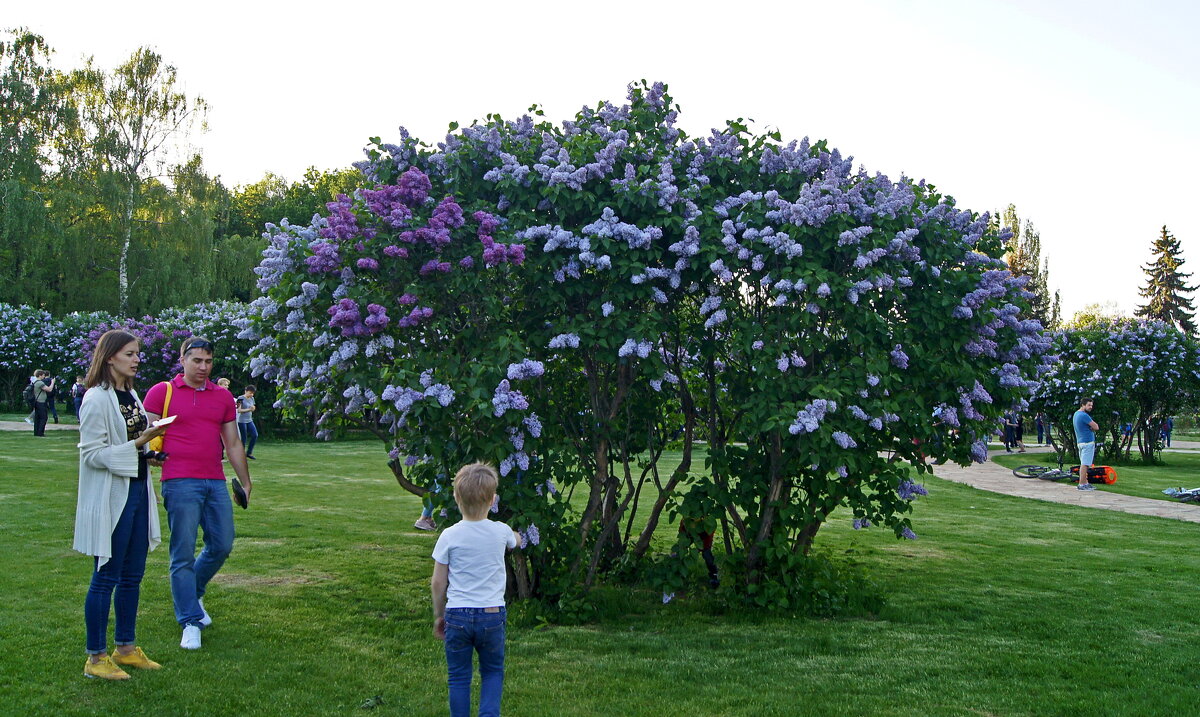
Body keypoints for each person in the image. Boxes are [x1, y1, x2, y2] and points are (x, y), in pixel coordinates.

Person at [143, 336, 252, 651]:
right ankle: (190, 621)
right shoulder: (161, 392)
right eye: (197, 361)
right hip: (178, 481)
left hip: (215, 481)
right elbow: (148, 435)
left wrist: (246, 482)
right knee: (183, 552)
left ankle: (193, 592)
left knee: (222, 544)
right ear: (183, 360)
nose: (203, 367)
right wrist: (150, 452)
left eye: (208, 361)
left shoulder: (223, 397)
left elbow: (232, 443)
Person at [74, 330, 170, 680]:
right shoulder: (95, 399)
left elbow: (133, 439)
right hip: (111, 495)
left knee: (133, 575)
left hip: (137, 491)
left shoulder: (130, 394)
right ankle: (96, 658)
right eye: (130, 353)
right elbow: (92, 454)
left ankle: (126, 648)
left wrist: (150, 451)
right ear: (110, 356)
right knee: (106, 576)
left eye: (137, 353)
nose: (136, 359)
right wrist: (138, 444)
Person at [431, 463, 520, 717]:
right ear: (493, 500)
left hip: (457, 616)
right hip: (492, 615)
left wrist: (440, 614)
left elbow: (438, 582)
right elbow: (517, 540)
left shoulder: (449, 535)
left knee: (458, 677)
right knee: (492, 672)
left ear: (456, 497)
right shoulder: (501, 531)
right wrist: (514, 535)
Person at [1073, 398, 1100, 492]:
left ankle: (1085, 483)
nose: (1090, 407)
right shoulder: (1084, 415)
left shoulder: (1076, 414)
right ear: (1083, 405)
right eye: (1089, 405)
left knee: (1085, 463)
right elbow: (1096, 427)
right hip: (1087, 442)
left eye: (1091, 405)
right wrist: (1091, 428)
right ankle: (1082, 484)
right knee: (1085, 464)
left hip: (1080, 441)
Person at [235, 385, 258, 459]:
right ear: (246, 391)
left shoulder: (252, 398)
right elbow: (239, 410)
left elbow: (253, 407)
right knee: (243, 438)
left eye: (252, 393)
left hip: (249, 420)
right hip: (241, 421)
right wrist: (249, 409)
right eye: (250, 393)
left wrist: (253, 408)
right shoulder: (240, 398)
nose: (251, 395)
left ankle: (249, 452)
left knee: (255, 435)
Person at [31, 370, 55, 436]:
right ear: (40, 375)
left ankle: (36, 432)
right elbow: (49, 389)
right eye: (43, 375)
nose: (44, 376)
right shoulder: (39, 383)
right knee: (43, 417)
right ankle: (40, 433)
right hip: (41, 402)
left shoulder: (34, 382)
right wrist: (52, 382)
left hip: (37, 402)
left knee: (37, 418)